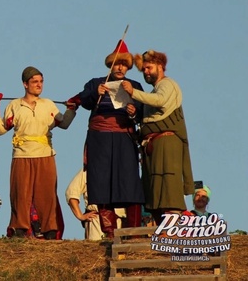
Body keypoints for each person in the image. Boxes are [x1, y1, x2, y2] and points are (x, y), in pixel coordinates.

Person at [0, 66, 77, 240]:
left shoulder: (48, 104)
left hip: (45, 154)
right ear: (25, 84)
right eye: (35, 81)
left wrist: (72, 109)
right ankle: (19, 228)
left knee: (47, 194)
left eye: (41, 81)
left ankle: (50, 230)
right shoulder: (14, 105)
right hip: (22, 155)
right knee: (20, 193)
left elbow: (64, 123)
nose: (39, 85)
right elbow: (1, 129)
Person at [69, 40, 144, 238]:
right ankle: (109, 231)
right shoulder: (95, 83)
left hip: (124, 138)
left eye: (125, 65)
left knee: (130, 182)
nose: (120, 68)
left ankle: (134, 231)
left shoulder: (135, 86)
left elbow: (144, 111)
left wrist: (134, 110)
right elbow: (84, 100)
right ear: (111, 64)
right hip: (100, 139)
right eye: (117, 64)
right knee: (101, 182)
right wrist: (96, 93)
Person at [121, 49, 194, 225]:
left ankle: (173, 228)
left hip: (166, 142)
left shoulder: (167, 85)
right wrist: (135, 114)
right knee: (153, 188)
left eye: (149, 67)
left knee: (168, 183)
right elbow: (150, 116)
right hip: (153, 144)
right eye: (144, 69)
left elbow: (160, 101)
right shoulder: (153, 91)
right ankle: (162, 227)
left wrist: (133, 93)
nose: (146, 71)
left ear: (160, 66)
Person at [65, 168, 127, 240]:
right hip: (97, 222)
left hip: (121, 223)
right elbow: (71, 192)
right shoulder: (89, 170)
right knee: (96, 249)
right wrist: (80, 216)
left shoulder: (122, 169)